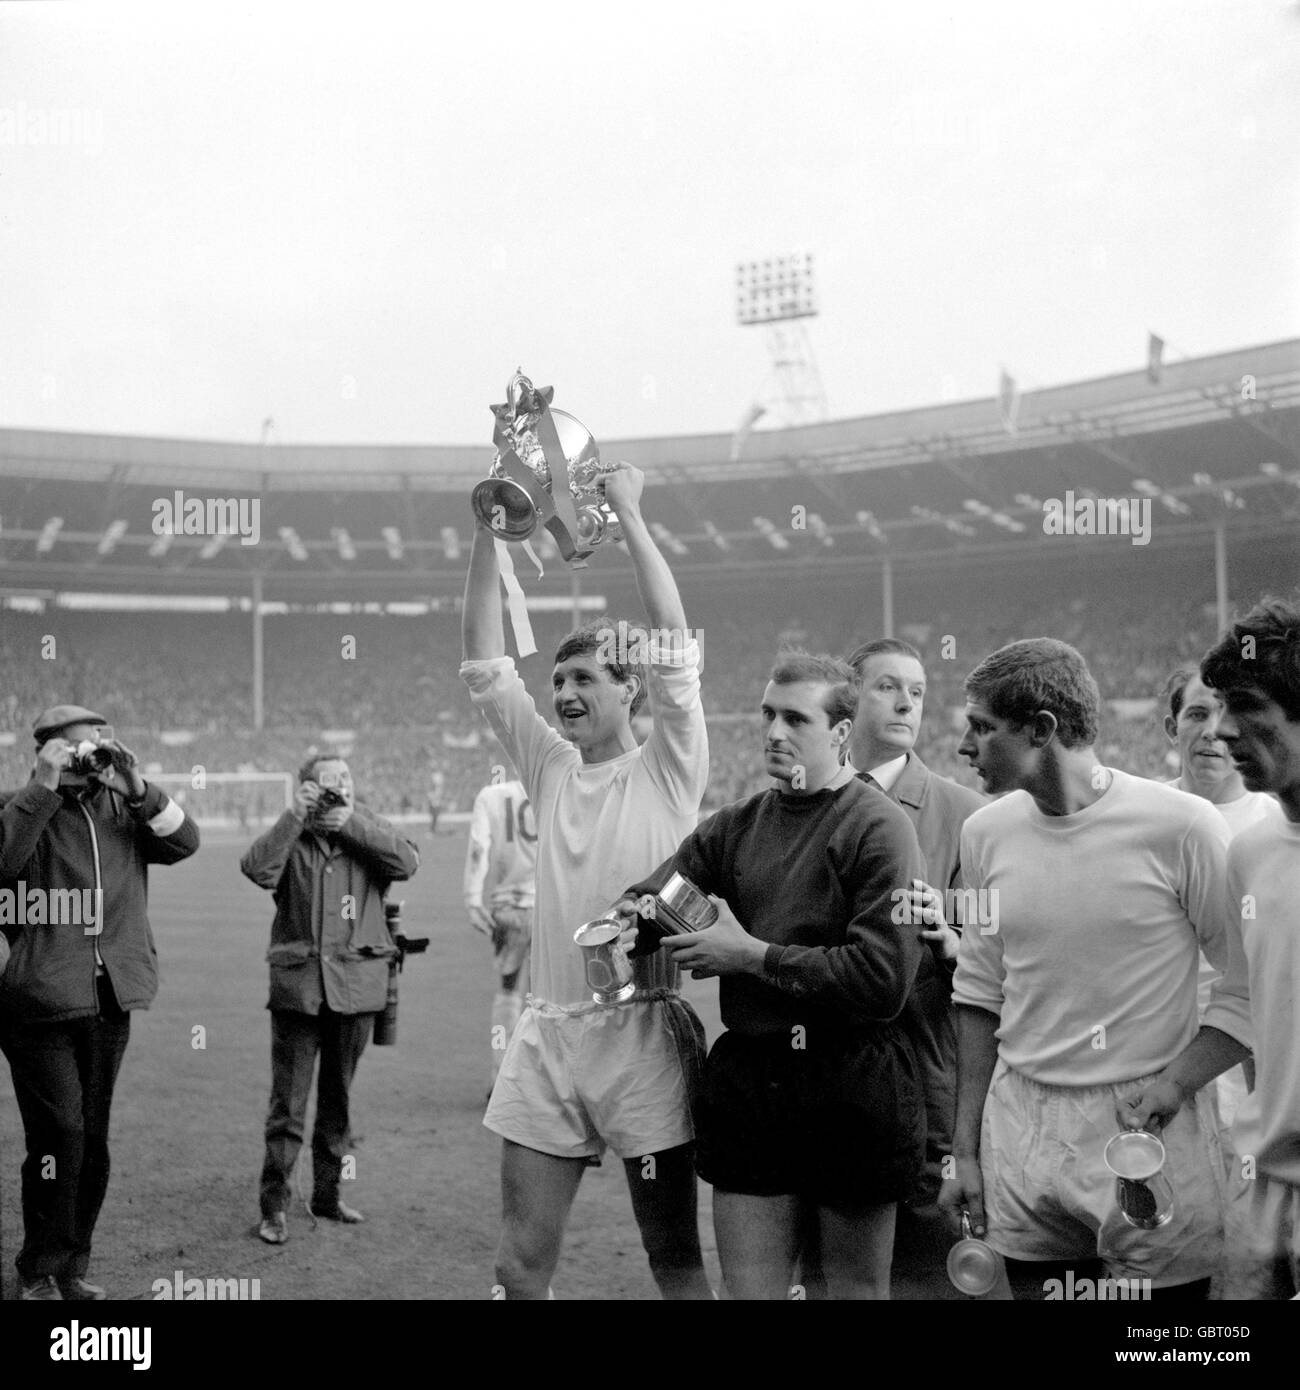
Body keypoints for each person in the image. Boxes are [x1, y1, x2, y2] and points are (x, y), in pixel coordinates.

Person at [460, 460, 712, 1300]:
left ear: (629, 689)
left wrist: (632, 513)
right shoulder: (549, 767)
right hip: (549, 1034)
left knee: (672, 1257)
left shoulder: (669, 768)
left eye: (583, 679)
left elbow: (672, 640)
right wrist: (489, 530)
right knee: (517, 1265)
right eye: (559, 680)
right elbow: (486, 666)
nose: (563, 692)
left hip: (643, 1035)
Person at [939, 638, 1252, 1299]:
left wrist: (1175, 1084)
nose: (966, 746)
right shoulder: (984, 833)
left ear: (1042, 729)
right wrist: (964, 1148)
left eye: (982, 727)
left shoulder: (1184, 827)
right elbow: (977, 992)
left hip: (1146, 1122)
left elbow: (1247, 985)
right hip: (1022, 1125)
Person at [619, 651, 927, 1299]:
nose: (774, 731)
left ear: (841, 733)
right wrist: (632, 917)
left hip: (853, 1082)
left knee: (849, 1290)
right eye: (768, 715)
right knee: (750, 1292)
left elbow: (882, 979)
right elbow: (658, 895)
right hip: (754, 1081)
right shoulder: (736, 825)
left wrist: (749, 956)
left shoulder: (880, 827)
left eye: (795, 718)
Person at [0, 705, 199, 1300]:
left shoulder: (121, 808)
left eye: (99, 744)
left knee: (92, 1141)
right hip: (37, 1000)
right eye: (79, 747)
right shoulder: (20, 804)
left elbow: (186, 841)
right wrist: (42, 787)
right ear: (47, 751)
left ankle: (71, 1266)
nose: (92, 756)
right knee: (59, 1136)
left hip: (110, 996)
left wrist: (136, 786)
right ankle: (37, 1268)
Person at [843, 637, 984, 1298]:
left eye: (918, 691)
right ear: (848, 698)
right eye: (887, 686)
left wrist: (951, 941)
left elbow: (1008, 970)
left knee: (935, 1284)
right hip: (830, 1098)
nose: (906, 701)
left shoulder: (970, 819)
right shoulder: (806, 806)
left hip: (928, 1108)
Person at [242, 754, 419, 1245]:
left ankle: (327, 1196)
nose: (339, 786)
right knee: (288, 1106)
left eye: (346, 778)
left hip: (355, 990)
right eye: (327, 781)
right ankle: (274, 1207)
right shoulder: (291, 836)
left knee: (338, 1102)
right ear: (305, 790)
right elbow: (256, 869)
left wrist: (352, 824)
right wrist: (294, 816)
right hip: (299, 991)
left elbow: (407, 862)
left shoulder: (368, 830)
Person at [1199, 597, 1300, 1298]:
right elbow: (1245, 998)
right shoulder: (1254, 850)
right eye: (1214, 707)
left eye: (1245, 704)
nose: (1222, 729)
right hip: (1266, 1184)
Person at [1159, 664, 1278, 1120]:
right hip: (1158, 1058)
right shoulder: (1142, 819)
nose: (1211, 732)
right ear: (1173, 728)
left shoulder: (1277, 825)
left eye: (1224, 715)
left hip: (1249, 1059)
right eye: (1195, 715)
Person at [463, 773, 537, 1093]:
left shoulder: (492, 795)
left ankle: (501, 1077)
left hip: (509, 907)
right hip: (554, 906)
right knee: (549, 997)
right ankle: (544, 1081)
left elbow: (479, 846)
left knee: (508, 992)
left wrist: (472, 898)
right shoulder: (560, 782)